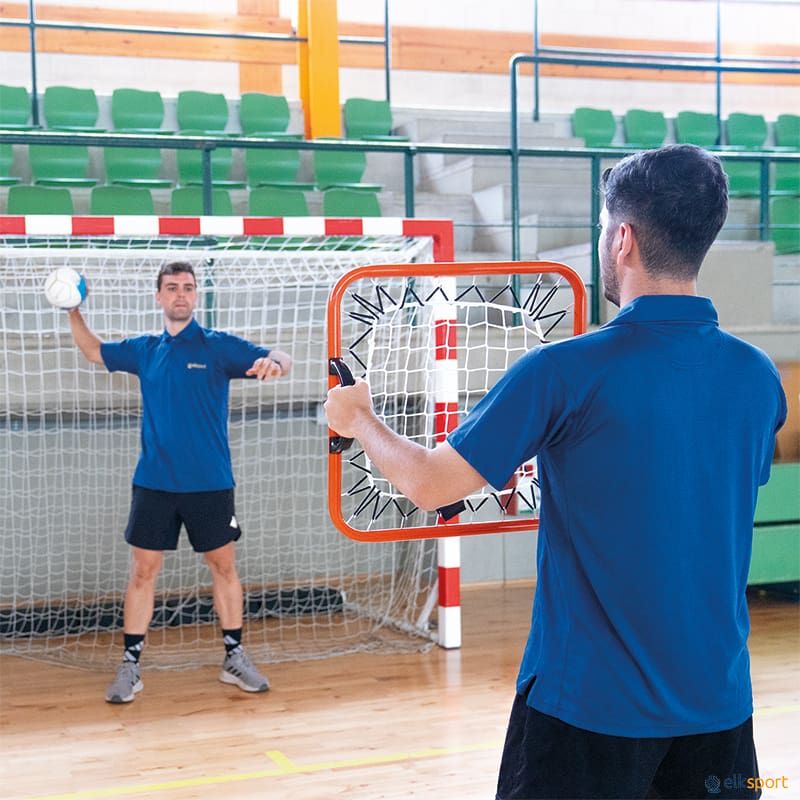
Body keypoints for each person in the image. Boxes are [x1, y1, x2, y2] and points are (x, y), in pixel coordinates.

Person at [324, 145, 787, 799]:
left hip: (586, 713)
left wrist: (360, 420)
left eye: (604, 225)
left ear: (621, 238)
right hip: (722, 714)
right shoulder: (758, 378)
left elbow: (430, 485)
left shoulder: (564, 372)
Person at [67, 260, 291, 704]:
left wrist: (274, 363)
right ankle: (131, 665)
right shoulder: (144, 349)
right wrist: (72, 309)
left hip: (210, 483)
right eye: (172, 288)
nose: (181, 295)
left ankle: (234, 657)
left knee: (224, 568)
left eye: (188, 287)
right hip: (154, 483)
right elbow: (94, 351)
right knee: (142, 572)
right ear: (159, 297)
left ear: (195, 295)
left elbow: (283, 356)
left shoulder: (218, 346)